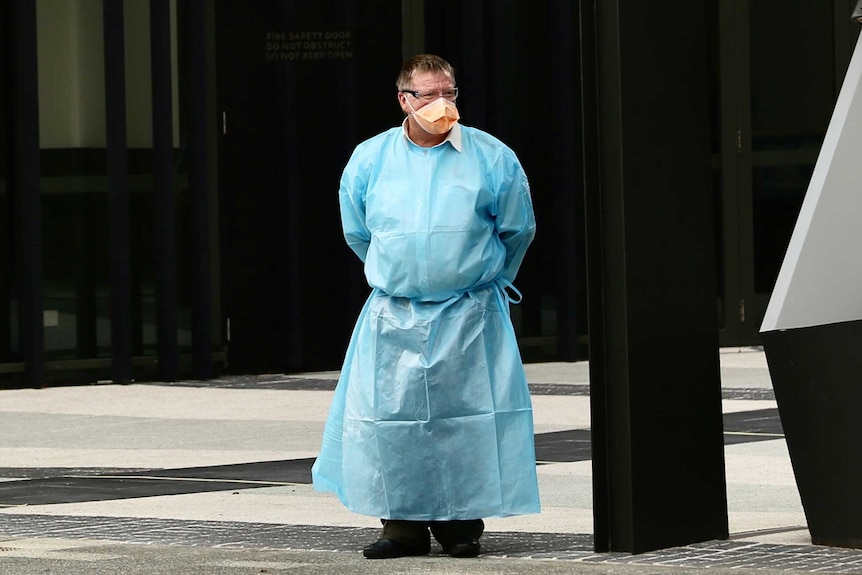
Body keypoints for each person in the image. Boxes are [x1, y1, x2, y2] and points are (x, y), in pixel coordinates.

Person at [311, 54, 540, 560]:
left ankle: (461, 524)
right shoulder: (371, 158)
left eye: (450, 93)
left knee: (467, 417)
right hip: (396, 311)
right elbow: (357, 231)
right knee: (393, 418)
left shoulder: (491, 156)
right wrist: (400, 272)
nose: (442, 105)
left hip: (469, 309)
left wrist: (485, 281)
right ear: (404, 100)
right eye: (429, 95)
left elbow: (517, 229)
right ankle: (402, 524)